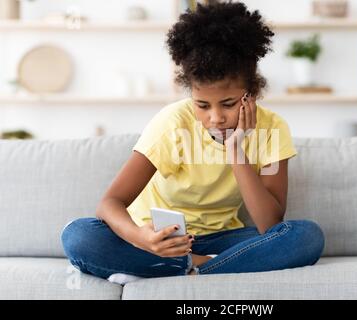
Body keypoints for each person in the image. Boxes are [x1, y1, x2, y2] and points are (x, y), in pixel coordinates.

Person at [61, 1, 324, 284]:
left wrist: (235, 149)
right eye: (202, 105)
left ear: (252, 94)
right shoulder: (173, 122)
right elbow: (110, 203)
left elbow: (269, 223)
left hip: (222, 240)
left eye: (228, 104)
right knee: (78, 235)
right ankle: (197, 266)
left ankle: (185, 269)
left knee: (306, 236)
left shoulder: (271, 129)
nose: (215, 118)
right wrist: (142, 238)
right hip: (161, 238)